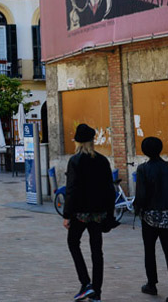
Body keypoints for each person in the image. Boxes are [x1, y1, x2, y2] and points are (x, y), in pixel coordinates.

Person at [63, 124, 114, 302]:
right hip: (99, 213)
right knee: (96, 251)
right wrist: (110, 213)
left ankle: (86, 283)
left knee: (73, 242)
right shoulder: (102, 160)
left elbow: (71, 189)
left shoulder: (75, 161)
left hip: (80, 213)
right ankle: (96, 293)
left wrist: (67, 214)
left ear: (77, 141)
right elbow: (110, 189)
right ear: (92, 141)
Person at [134, 136, 168, 302]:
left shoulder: (143, 169)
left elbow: (141, 195)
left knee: (149, 251)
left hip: (149, 216)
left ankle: (152, 283)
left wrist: (137, 209)